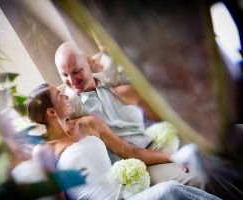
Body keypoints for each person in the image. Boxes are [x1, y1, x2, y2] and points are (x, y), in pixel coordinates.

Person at [25, 83, 219, 200]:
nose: (66, 95)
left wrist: (171, 157)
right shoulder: (44, 151)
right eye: (59, 96)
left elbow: (131, 151)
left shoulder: (89, 124)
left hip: (126, 195)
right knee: (170, 190)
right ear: (51, 112)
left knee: (182, 182)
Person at [54, 41, 202, 187]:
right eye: (65, 75)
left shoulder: (110, 80)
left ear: (87, 63)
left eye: (76, 71)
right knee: (199, 178)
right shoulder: (69, 109)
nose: (72, 80)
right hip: (136, 166)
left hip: (156, 139)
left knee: (211, 156)